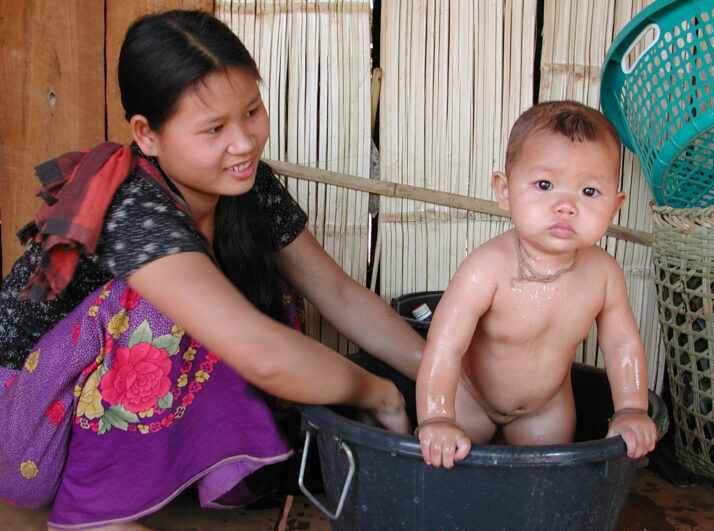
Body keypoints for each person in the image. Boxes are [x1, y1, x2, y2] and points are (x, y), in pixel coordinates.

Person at [0, 9, 423, 529]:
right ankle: (94, 515)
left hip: (85, 407)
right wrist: (378, 393)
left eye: (251, 111)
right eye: (214, 128)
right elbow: (263, 357)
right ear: (147, 134)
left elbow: (338, 293)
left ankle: (194, 471)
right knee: (164, 311)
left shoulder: (246, 184)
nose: (244, 142)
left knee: (256, 286)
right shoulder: (131, 205)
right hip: (25, 428)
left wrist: (441, 377)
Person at [415, 101, 657, 469]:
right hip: (471, 399)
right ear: (506, 191)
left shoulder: (604, 275)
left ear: (615, 206)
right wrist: (436, 417)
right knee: (449, 471)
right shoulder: (487, 268)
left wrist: (631, 409)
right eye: (545, 185)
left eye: (589, 192)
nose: (566, 206)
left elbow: (622, 344)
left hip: (546, 409)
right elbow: (445, 345)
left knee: (543, 485)